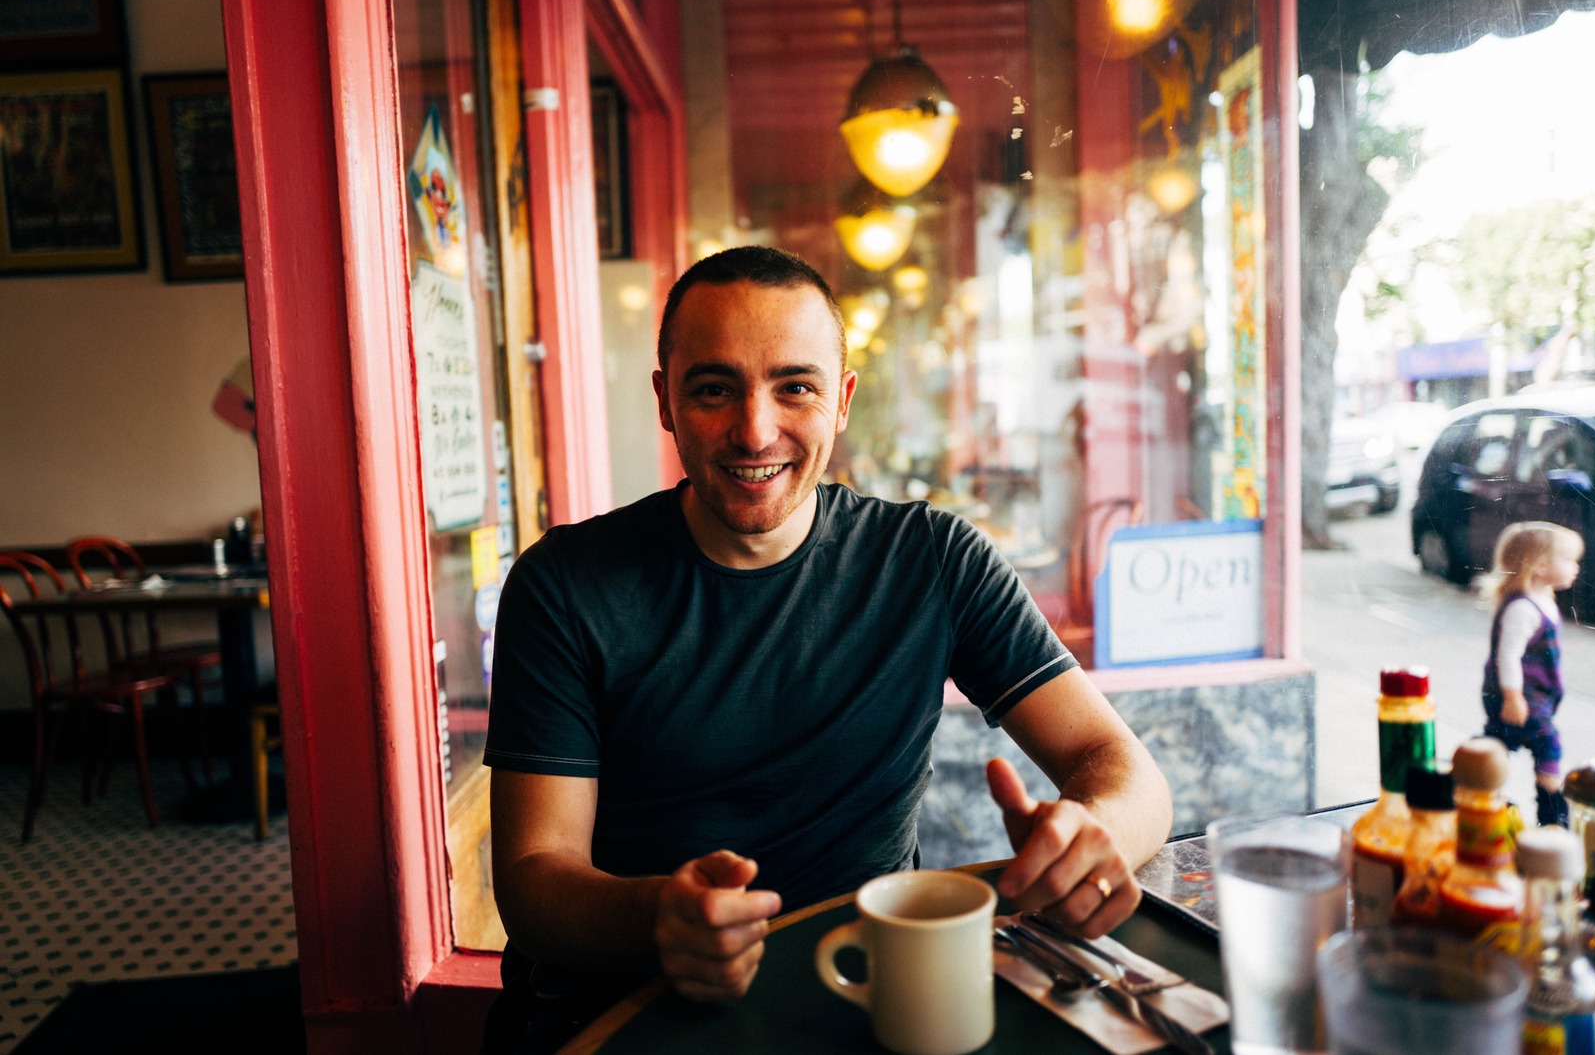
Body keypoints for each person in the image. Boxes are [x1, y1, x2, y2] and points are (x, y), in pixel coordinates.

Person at [482, 246, 1173, 1052]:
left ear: (841, 400)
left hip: (869, 1001)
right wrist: (656, 918)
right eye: (714, 389)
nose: (754, 429)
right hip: (626, 1012)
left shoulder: (932, 559)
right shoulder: (564, 585)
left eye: (795, 387)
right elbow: (534, 877)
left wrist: (1095, 835)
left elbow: (1125, 769)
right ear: (665, 401)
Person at [1480, 520, 1585, 828]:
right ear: (1540, 566)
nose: (1575, 567)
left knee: (1500, 741)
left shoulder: (1542, 599)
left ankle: (1476, 785)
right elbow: (1507, 655)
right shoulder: (1523, 608)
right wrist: (1512, 698)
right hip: (1520, 696)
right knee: (1547, 743)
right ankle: (1552, 812)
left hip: (1533, 696)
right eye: (1568, 560)